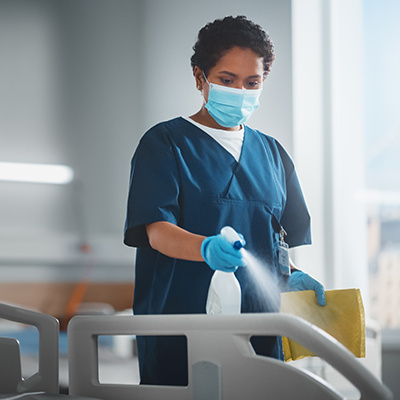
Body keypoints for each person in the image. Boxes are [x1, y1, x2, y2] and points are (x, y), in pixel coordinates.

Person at [124, 15, 325, 386]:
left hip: (260, 329)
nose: (241, 92)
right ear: (200, 78)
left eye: (252, 82)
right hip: (182, 327)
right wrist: (206, 249)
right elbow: (157, 231)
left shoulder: (273, 154)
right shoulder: (165, 144)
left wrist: (293, 277)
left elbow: (275, 238)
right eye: (227, 80)